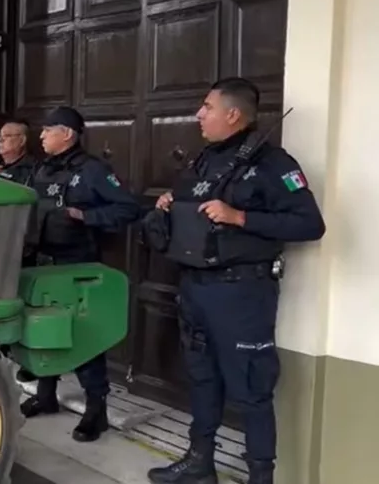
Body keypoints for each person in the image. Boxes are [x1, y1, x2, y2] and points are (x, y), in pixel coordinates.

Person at [144, 78, 325, 484]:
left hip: (242, 294)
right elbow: (192, 214)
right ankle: (199, 462)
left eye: (207, 107)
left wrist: (240, 216)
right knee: (202, 377)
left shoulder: (274, 164)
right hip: (195, 287)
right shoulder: (202, 162)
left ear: (233, 114)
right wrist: (168, 207)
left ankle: (261, 476)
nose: (198, 115)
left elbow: (311, 224)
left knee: (252, 388)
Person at [21, 106, 140, 444]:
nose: (41, 136)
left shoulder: (92, 171)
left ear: (68, 134)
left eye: (48, 130)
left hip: (77, 266)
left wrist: (85, 215)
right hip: (42, 264)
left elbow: (127, 208)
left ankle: (96, 410)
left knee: (84, 338)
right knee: (44, 331)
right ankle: (46, 395)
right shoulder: (42, 168)